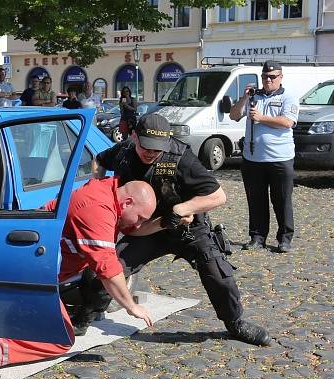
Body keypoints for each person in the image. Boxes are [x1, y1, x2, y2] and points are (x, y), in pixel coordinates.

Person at [91, 113, 272, 347]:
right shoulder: (124, 151)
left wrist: (182, 208)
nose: (151, 153)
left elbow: (218, 196)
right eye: (146, 147)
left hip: (188, 228)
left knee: (217, 271)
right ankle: (87, 313)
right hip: (148, 228)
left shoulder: (180, 157)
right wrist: (96, 188)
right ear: (134, 137)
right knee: (109, 266)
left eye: (157, 149)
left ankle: (235, 323)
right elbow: (99, 160)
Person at [0, 178, 157, 379]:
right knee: (61, 337)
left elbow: (130, 228)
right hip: (32, 275)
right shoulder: (97, 208)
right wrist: (130, 306)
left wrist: (164, 223)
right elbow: (107, 268)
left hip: (35, 270)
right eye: (141, 217)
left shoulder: (107, 194)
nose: (139, 224)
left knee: (34, 323)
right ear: (127, 203)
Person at [229, 60, 299, 254]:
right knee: (256, 200)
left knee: (282, 200)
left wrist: (262, 118)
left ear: (280, 78)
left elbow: (287, 122)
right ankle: (257, 237)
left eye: (272, 77)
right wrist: (244, 99)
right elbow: (234, 115)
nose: (268, 80)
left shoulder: (289, 97)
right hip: (253, 159)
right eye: (265, 77)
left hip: (280, 158)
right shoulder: (254, 97)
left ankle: (284, 239)